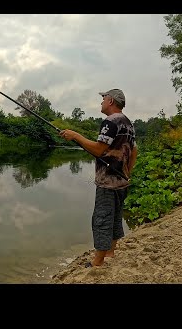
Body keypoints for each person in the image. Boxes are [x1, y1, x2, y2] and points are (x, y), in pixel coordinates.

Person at [59, 88, 137, 267]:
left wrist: (75, 136)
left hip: (108, 182)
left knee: (102, 219)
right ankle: (110, 252)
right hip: (122, 182)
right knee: (116, 217)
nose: (101, 102)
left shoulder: (110, 122)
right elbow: (134, 151)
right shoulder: (128, 123)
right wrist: (128, 172)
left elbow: (98, 150)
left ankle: (97, 262)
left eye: (103, 99)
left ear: (111, 101)